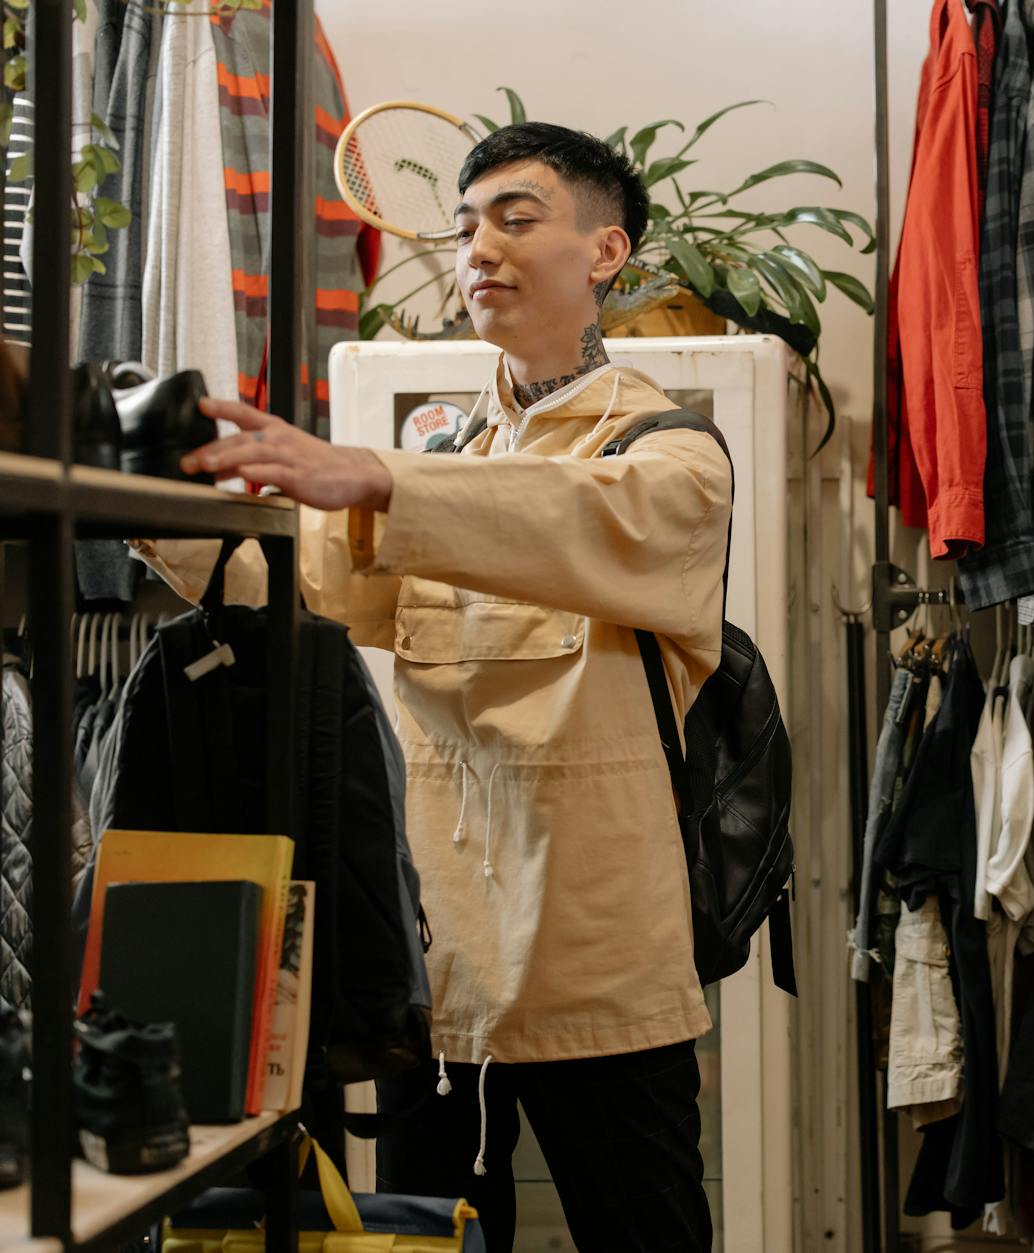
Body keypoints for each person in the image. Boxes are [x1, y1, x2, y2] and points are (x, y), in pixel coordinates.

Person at [134, 122, 728, 1253]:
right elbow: (314, 591)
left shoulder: (670, 454)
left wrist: (371, 471)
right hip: (436, 963)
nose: (478, 251)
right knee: (419, 1239)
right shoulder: (444, 449)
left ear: (606, 251)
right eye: (463, 229)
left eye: (515, 218)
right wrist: (171, 503)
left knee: (645, 1231)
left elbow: (576, 515)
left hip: (600, 963)